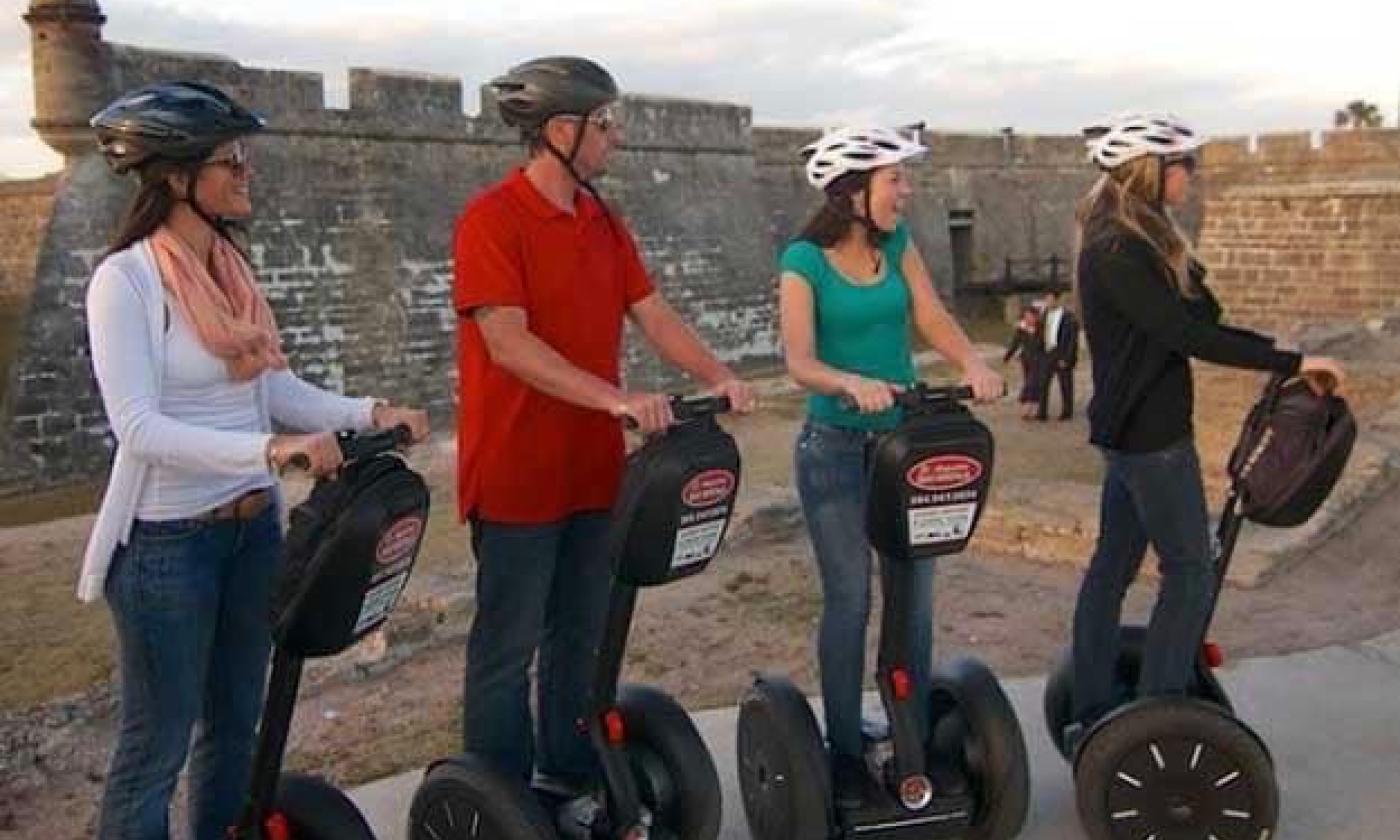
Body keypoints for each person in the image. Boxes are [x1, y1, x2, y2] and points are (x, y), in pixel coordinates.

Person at [81, 81, 430, 840]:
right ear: (176, 178)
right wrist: (273, 450)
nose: (246, 173)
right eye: (229, 161)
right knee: (155, 748)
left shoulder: (229, 276)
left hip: (249, 539)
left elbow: (275, 388)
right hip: (166, 546)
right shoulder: (126, 282)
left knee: (236, 733)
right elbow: (138, 428)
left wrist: (368, 413)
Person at [452, 56, 756, 818]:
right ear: (561, 131)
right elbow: (509, 344)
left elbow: (651, 313)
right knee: (505, 650)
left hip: (593, 476)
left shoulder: (603, 221)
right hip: (517, 476)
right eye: (604, 125)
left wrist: (719, 374)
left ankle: (569, 776)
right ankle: (501, 806)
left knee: (579, 641)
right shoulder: (491, 220)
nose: (614, 139)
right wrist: (615, 399)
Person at [1066, 112, 1344, 747]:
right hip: (1150, 440)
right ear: (1151, 169)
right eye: (1182, 162)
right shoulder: (1119, 248)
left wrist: (1183, 257)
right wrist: (1294, 361)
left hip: (1132, 433)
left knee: (1113, 567)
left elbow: (1203, 313)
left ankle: (1095, 709)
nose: (1191, 173)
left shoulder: (1138, 238)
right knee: (1189, 570)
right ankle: (1160, 714)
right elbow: (1189, 335)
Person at [777, 126, 1003, 805]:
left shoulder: (896, 244)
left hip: (904, 447)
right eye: (893, 179)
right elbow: (798, 360)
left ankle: (908, 729)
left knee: (916, 595)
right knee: (851, 597)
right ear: (852, 190)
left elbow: (930, 315)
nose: (905, 190)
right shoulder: (803, 260)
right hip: (835, 452)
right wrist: (848, 382)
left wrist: (970, 360)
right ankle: (844, 745)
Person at [1036, 289, 1079, 420]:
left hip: (1061, 353)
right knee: (1043, 383)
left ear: (1057, 300)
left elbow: (1072, 340)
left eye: (1050, 299)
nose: (1048, 302)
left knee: (1065, 384)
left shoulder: (1069, 318)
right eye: (1046, 299)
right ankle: (1042, 412)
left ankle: (1067, 412)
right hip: (1047, 353)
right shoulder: (1044, 316)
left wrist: (1067, 358)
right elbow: (1039, 335)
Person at [1003, 305, 1047, 419]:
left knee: (1031, 383)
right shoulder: (1021, 329)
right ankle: (1032, 407)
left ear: (1036, 317)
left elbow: (1041, 344)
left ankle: (1027, 408)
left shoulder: (1041, 328)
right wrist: (1007, 356)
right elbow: (1015, 343)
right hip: (1026, 359)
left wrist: (1031, 332)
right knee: (1029, 382)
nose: (1028, 319)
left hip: (1039, 359)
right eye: (1026, 316)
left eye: (1030, 316)